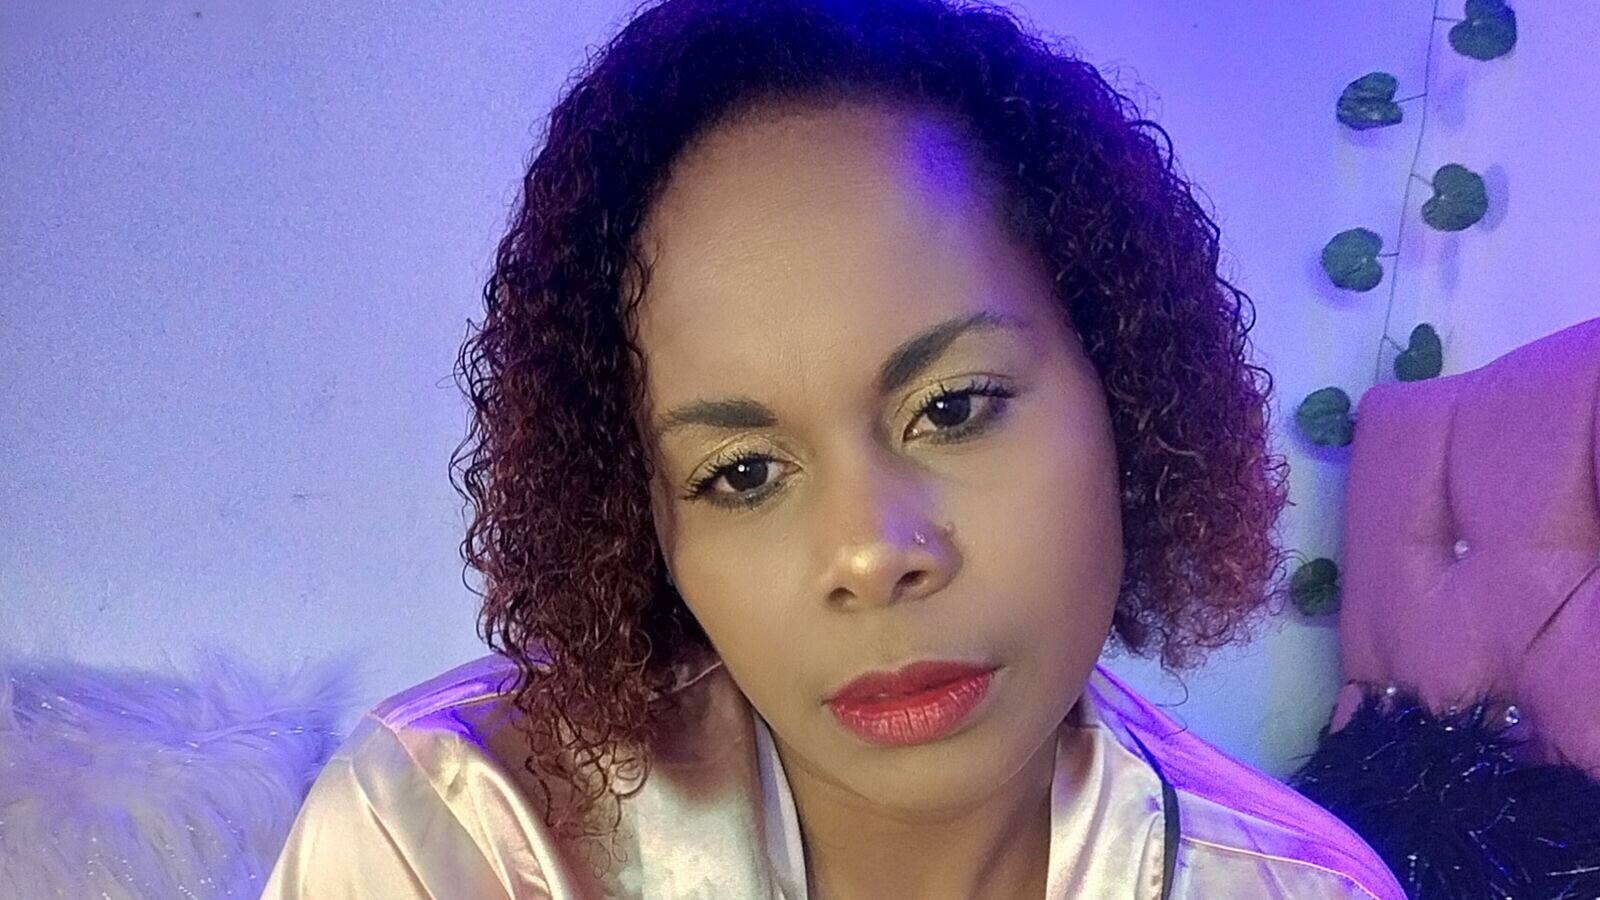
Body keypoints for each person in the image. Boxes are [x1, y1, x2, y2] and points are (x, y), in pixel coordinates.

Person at [263, 0, 1405, 896]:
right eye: (742, 474)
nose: (870, 553)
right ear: (643, 520)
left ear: (1125, 387)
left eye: (951, 408)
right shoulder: (445, 838)